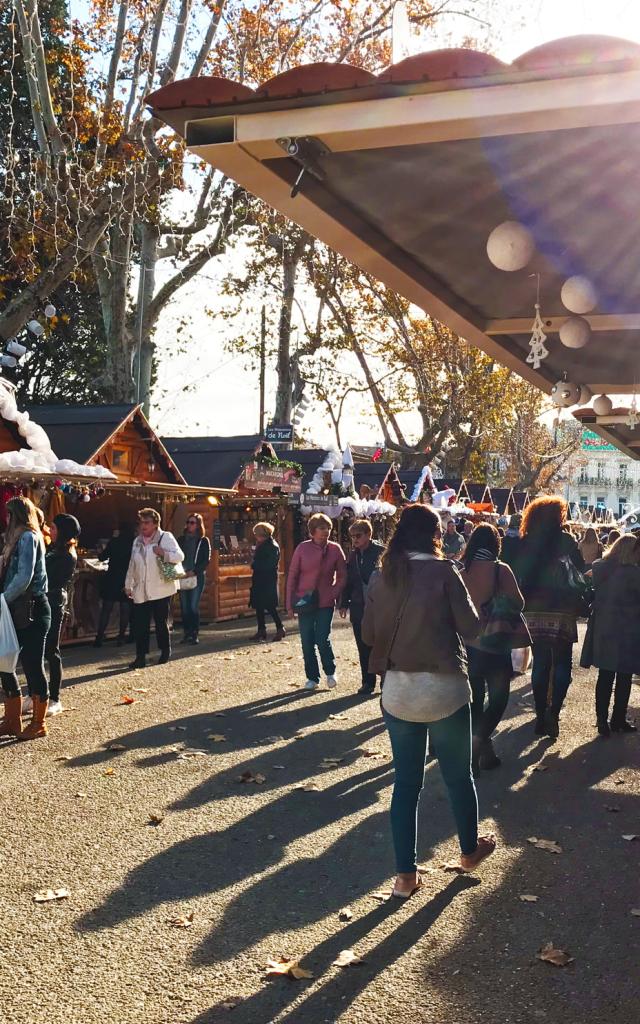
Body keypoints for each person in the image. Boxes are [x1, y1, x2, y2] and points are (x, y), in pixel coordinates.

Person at [362, 504, 495, 898]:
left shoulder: (381, 575)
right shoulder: (444, 572)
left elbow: (368, 635)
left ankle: (405, 877)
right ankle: (469, 851)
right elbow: (471, 627)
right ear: (436, 534)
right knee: (458, 776)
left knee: (406, 784)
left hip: (398, 691)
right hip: (444, 689)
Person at [517, 497, 585, 739]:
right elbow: (579, 570)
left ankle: (539, 715)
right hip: (562, 609)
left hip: (534, 609)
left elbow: (519, 572)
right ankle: (553, 713)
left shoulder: (526, 541)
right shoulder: (566, 540)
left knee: (541, 663)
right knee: (563, 663)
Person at [460, 524, 525, 773]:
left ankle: (482, 755)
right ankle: (478, 743)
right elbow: (519, 603)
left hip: (468, 644)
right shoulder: (501, 569)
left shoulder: (461, 570)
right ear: (495, 544)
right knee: (499, 699)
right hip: (495, 644)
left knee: (475, 699)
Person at [0, 497, 51, 740]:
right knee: (4, 661)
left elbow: (24, 577)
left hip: (31, 608)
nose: (6, 518)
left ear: (16, 516)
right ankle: (12, 720)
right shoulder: (14, 539)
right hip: (15, 607)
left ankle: (39, 723)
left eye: (9, 514)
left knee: (32, 664)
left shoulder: (29, 537)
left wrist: (3, 598)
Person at [580, 535, 639, 736]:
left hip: (604, 627)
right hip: (628, 628)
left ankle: (601, 719)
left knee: (605, 675)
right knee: (624, 676)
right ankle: (618, 719)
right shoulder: (634, 573)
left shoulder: (599, 567)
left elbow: (587, 587)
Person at [286, 513, 347, 692]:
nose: (325, 531)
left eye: (328, 528)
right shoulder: (302, 548)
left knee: (322, 638)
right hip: (304, 600)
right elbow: (292, 575)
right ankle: (312, 677)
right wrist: (289, 603)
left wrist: (333, 592)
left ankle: (330, 671)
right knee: (307, 640)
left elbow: (343, 575)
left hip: (325, 601)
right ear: (313, 531)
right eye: (321, 528)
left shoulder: (335, 549)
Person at [125, 508, 184, 669]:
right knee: (141, 625)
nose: (143, 526)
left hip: (161, 589)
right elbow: (132, 564)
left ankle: (165, 651)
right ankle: (140, 657)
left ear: (155, 524)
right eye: (141, 522)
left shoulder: (165, 537)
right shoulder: (137, 541)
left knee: (160, 622)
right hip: (141, 589)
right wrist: (128, 585)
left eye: (147, 522)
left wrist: (163, 553)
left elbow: (180, 556)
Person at [339, 519, 384, 695]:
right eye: (352, 536)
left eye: (358, 535)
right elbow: (348, 581)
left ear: (368, 534)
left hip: (379, 606)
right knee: (363, 646)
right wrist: (344, 603)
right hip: (359, 606)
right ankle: (367, 682)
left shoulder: (382, 552)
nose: (354, 539)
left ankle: (385, 681)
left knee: (381, 644)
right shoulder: (353, 556)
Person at [44, 514, 79, 716]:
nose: (50, 531)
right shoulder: (52, 549)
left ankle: (55, 698)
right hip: (42, 602)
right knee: (35, 652)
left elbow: (50, 579)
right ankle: (35, 694)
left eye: (54, 528)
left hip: (54, 604)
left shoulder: (67, 556)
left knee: (51, 650)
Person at [94, 524, 135, 647]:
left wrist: (99, 550)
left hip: (112, 578)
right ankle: (121, 637)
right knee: (125, 609)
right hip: (126, 579)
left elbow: (102, 557)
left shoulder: (114, 542)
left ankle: (99, 637)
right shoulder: (133, 544)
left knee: (106, 609)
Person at [178, 513, 211, 645]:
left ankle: (194, 633)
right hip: (183, 575)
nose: (189, 525)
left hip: (196, 576)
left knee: (193, 606)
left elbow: (206, 560)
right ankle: (186, 633)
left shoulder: (203, 541)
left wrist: (195, 571)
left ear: (198, 525)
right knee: (184, 607)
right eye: (188, 522)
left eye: (192, 523)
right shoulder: (181, 539)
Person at [249, 521, 285, 642]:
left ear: (261, 534)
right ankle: (261, 629)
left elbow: (269, 563)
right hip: (261, 578)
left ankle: (280, 627)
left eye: (256, 534)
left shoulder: (271, 546)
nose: (255, 536)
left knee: (269, 605)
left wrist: (255, 565)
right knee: (259, 605)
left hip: (266, 579)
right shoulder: (264, 544)